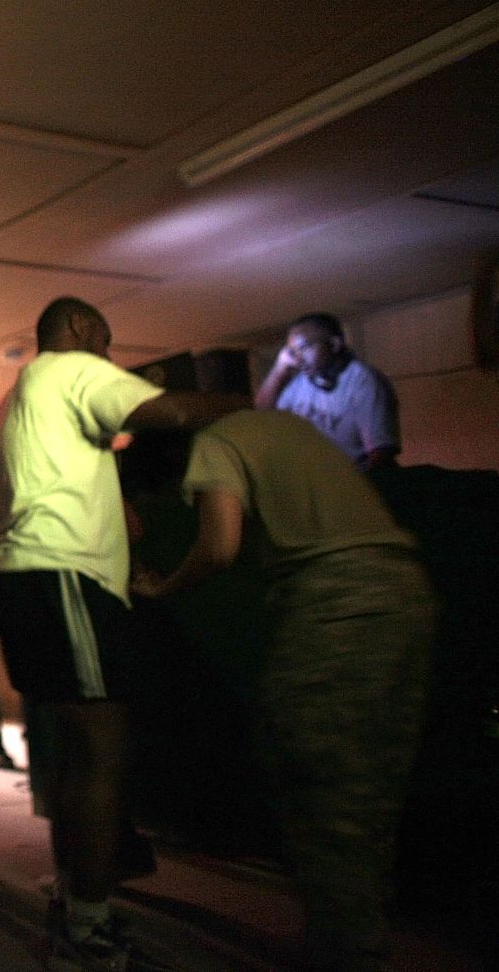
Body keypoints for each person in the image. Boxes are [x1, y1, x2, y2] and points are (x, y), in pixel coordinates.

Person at [0, 296, 244, 971]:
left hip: (30, 579)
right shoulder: (71, 367)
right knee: (103, 750)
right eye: (106, 337)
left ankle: (76, 903)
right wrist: (259, 408)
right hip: (63, 576)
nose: (110, 351)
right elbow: (176, 412)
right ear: (78, 329)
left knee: (76, 755)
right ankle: (89, 933)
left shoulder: (23, 397)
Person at [132, 410, 437, 972]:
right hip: (405, 589)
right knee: (374, 789)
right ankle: (363, 935)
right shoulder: (281, 428)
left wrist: (161, 586)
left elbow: (219, 545)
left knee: (320, 791)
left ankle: (346, 953)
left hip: (335, 604)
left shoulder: (213, 445)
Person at [254, 312, 399, 469]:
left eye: (304, 348)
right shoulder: (302, 381)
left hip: (350, 483)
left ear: (334, 344)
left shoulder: (363, 380)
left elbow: (381, 453)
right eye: (293, 351)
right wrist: (279, 368)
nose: (298, 358)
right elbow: (263, 412)